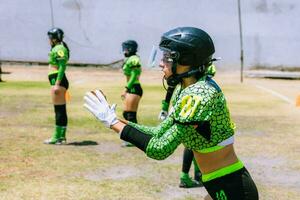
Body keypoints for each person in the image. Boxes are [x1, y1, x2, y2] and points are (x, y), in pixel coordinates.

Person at [84, 27, 259, 200]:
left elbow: (160, 150)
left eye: (167, 57)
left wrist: (112, 123)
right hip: (219, 182)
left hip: (232, 186)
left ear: (186, 60)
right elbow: (158, 133)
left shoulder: (200, 95)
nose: (161, 63)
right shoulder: (186, 89)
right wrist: (115, 120)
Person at [158, 65, 217, 188]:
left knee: (195, 142)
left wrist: (165, 106)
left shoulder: (185, 67)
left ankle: (198, 174)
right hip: (189, 104)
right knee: (193, 143)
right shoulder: (200, 66)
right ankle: (186, 176)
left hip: (183, 103)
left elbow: (171, 86)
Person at [44, 27, 70, 145]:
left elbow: (62, 66)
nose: (48, 40)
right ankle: (61, 136)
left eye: (50, 37)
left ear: (54, 39)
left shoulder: (59, 48)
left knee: (59, 110)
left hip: (58, 81)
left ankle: (57, 137)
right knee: (60, 109)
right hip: (56, 80)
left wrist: (57, 83)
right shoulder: (58, 47)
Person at [120, 40, 143, 147]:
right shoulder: (130, 59)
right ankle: (133, 137)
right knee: (126, 114)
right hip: (132, 87)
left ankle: (133, 139)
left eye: (125, 48)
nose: (124, 50)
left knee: (130, 115)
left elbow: (134, 75)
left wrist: (126, 88)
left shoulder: (134, 59)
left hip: (134, 87)